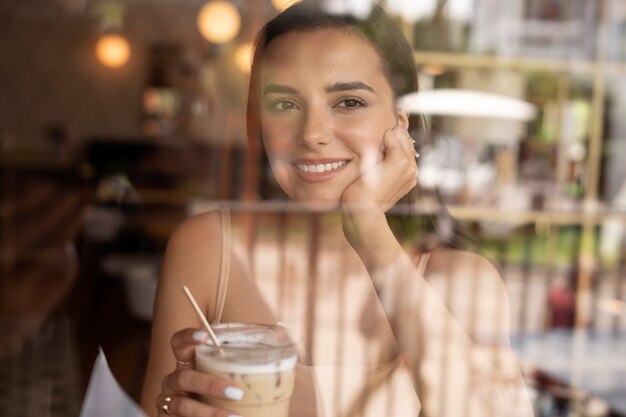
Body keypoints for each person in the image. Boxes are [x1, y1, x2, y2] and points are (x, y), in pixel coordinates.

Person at [140, 2, 534, 416]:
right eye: (285, 105)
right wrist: (174, 405)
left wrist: (369, 227)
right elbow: (155, 409)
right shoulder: (207, 249)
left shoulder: (461, 279)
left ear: (401, 123)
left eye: (348, 102)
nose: (311, 134)